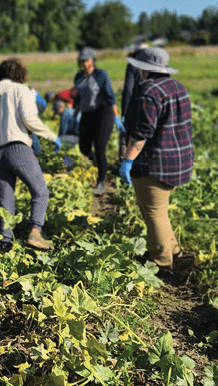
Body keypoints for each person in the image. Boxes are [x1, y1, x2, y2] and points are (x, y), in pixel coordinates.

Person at [118, 47, 193, 277]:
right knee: (160, 211)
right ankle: (175, 253)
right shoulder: (178, 87)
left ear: (143, 69)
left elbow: (142, 133)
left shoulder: (148, 92)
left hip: (156, 163)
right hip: (179, 160)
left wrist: (127, 161)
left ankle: (162, 264)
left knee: (153, 213)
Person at [0, 59, 62, 251]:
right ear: (19, 74)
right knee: (40, 191)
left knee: (5, 201)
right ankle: (35, 232)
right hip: (18, 148)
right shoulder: (20, 90)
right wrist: (51, 136)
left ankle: (5, 242)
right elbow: (29, 118)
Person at [73, 47, 125, 195]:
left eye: (88, 60)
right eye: (82, 61)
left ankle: (101, 181)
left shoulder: (100, 75)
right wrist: (74, 114)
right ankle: (101, 162)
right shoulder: (78, 77)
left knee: (100, 146)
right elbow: (78, 98)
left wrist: (116, 117)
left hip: (104, 113)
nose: (85, 64)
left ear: (93, 60)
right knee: (84, 147)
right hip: (87, 114)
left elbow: (110, 97)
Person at [118, 46, 147, 159]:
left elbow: (128, 90)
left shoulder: (133, 66)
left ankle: (125, 162)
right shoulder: (153, 67)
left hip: (134, 107)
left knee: (128, 137)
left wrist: (124, 112)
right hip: (149, 106)